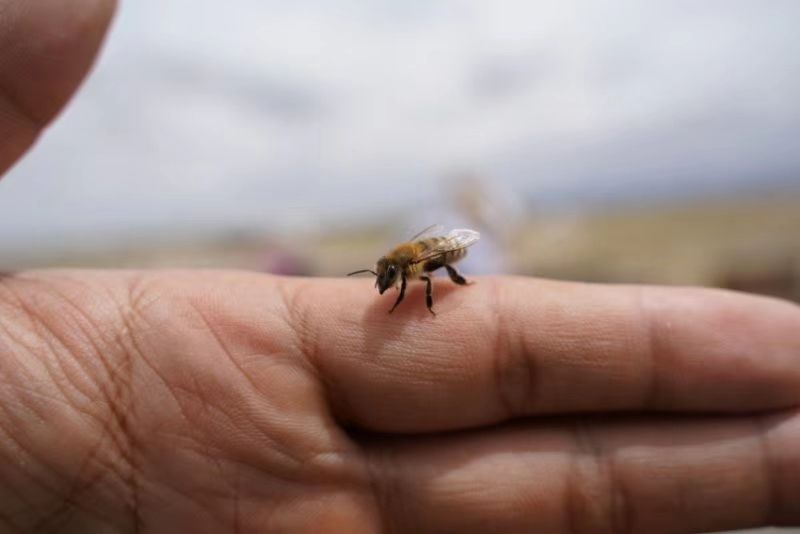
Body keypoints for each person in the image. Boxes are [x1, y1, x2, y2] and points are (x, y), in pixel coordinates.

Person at [0, 1, 798, 532]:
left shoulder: (425, 260)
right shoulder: (398, 261)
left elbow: (435, 258)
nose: (386, 287)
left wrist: (437, 284)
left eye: (389, 282)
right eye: (387, 282)